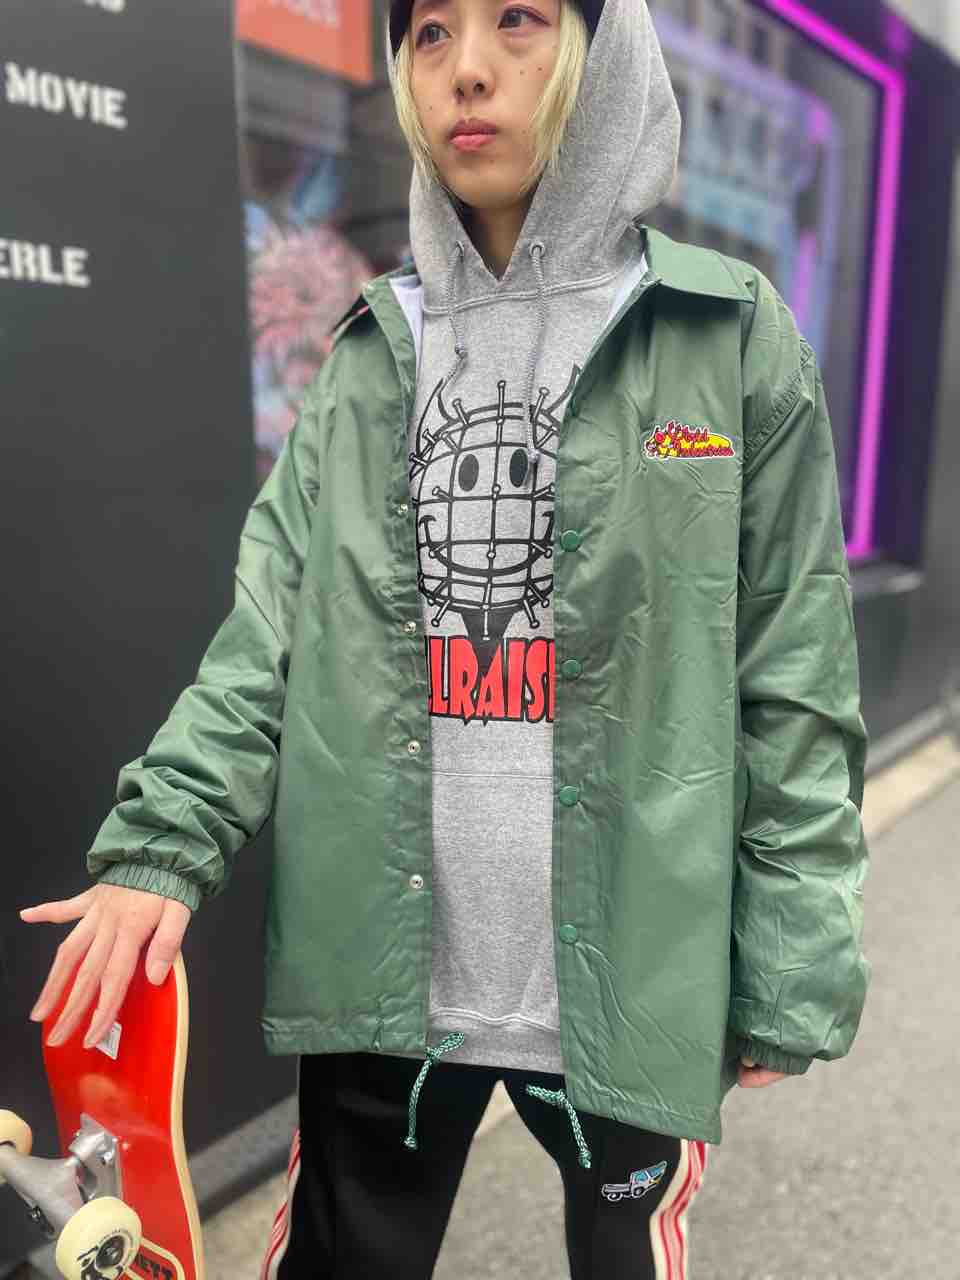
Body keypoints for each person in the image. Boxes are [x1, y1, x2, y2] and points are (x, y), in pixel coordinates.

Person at [20, 1, 872, 1276]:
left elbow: (793, 670)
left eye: (517, 19)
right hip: (386, 970)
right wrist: (161, 846)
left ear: (600, 50)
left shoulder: (725, 334)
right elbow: (267, 635)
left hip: (637, 966)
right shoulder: (375, 350)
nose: (467, 69)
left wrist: (794, 951)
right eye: (429, 33)